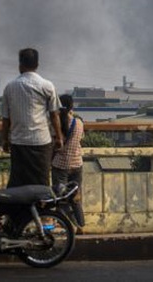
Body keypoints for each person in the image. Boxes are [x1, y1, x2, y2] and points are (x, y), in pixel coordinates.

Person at [1, 48, 63, 188]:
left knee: (18, 182)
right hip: (41, 142)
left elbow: (6, 119)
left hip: (18, 142)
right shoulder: (47, 86)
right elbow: (54, 115)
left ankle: (20, 210)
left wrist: (4, 140)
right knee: (41, 182)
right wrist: (59, 137)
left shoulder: (10, 87)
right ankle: (40, 209)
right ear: (37, 65)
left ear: (20, 64)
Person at [51, 94, 85, 232]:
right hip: (77, 164)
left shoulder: (56, 122)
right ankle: (81, 225)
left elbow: (54, 143)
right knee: (75, 197)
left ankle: (70, 224)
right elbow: (81, 139)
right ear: (72, 107)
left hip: (60, 165)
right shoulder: (79, 123)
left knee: (61, 198)